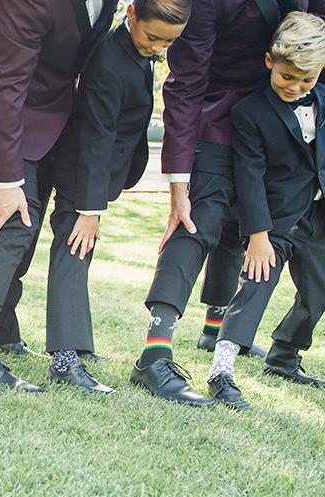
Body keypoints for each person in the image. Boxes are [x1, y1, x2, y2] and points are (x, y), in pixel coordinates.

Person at [131, 0, 325, 406]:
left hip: (282, 123)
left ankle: (214, 327)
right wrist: (178, 184)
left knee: (251, 228)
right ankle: (155, 352)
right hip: (216, 118)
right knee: (196, 221)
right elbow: (185, 83)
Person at [0, 0, 117, 393]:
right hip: (9, 115)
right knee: (15, 225)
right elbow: (6, 81)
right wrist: (5, 181)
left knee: (36, 224)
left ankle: (4, 332)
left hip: (61, 121)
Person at [44, 0, 190, 394]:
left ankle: (78, 346)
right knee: (72, 251)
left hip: (99, 170)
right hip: (82, 171)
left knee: (79, 252)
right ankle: (64, 359)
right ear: (130, 14)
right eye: (153, 37)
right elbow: (96, 137)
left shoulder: (137, 47)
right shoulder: (110, 62)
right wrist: (89, 210)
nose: (159, 47)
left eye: (168, 42)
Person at [204, 11, 325, 409]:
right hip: (274, 218)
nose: (296, 87)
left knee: (318, 290)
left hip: (318, 214)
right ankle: (221, 371)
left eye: (306, 80)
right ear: (270, 61)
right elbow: (250, 177)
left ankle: (285, 356)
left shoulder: (322, 98)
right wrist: (257, 235)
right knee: (255, 286)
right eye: (287, 77)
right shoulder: (249, 112)